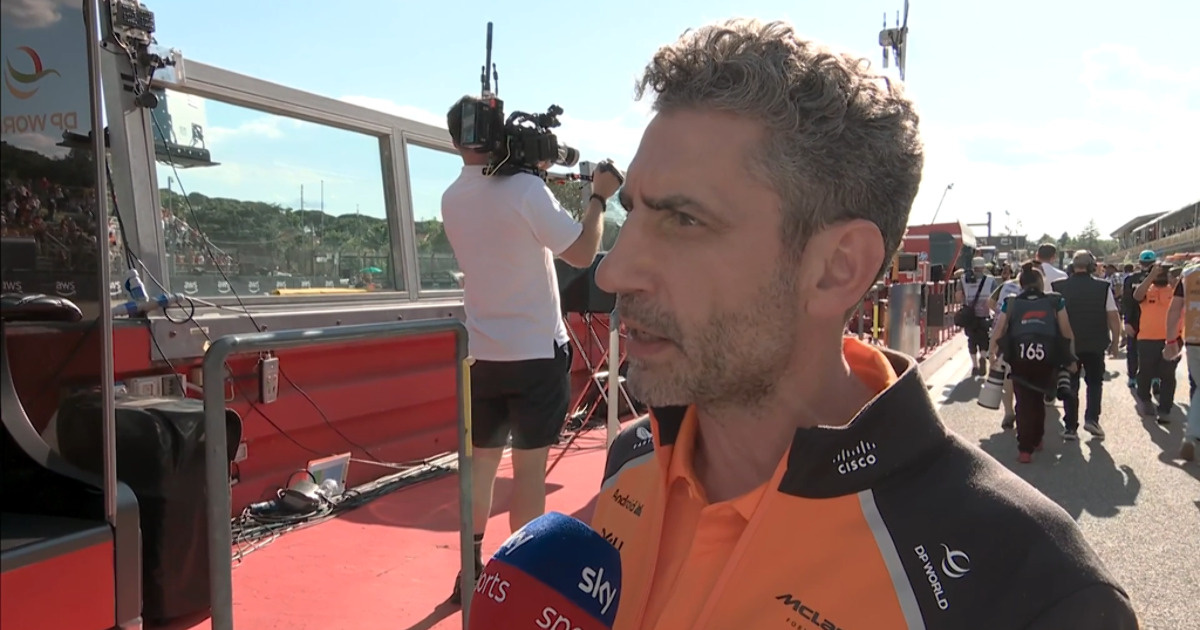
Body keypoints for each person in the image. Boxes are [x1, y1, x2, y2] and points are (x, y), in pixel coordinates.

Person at [588, 19, 1137, 629]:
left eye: (684, 220)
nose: (612, 272)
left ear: (837, 269)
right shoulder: (635, 456)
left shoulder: (1034, 592)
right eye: (632, 213)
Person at [440, 95, 623, 603]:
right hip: (537, 355)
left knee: (480, 469)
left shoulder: (452, 198)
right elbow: (582, 252)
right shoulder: (525, 190)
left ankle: (470, 570)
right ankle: (522, 580)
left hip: (483, 356)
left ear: (455, 141)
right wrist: (598, 197)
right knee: (528, 474)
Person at [990, 266, 1077, 462]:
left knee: (1023, 401)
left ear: (1020, 284)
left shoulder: (1011, 302)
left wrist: (992, 353)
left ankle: (1025, 449)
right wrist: (1071, 358)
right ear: (1041, 283)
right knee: (1038, 397)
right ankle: (1037, 439)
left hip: (1019, 357)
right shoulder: (1055, 301)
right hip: (1047, 357)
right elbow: (1066, 331)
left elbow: (999, 329)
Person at [1052, 250, 1120, 440]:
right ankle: (1092, 419)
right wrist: (1115, 342)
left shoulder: (1058, 286)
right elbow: (1113, 316)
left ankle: (1070, 427)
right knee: (1095, 383)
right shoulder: (1103, 287)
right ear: (1092, 267)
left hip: (1068, 345)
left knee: (1070, 384)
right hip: (1095, 343)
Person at [1131, 260, 1180, 422]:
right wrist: (1151, 276)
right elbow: (1137, 296)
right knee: (1146, 372)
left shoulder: (1174, 289)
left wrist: (1174, 281)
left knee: (1168, 375)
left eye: (1164, 270)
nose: (1162, 273)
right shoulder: (1146, 288)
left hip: (1170, 339)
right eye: (1159, 270)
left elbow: (1184, 300)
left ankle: (1164, 409)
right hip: (1147, 339)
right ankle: (1145, 399)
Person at [1166, 259, 1200, 461]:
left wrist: (1171, 339)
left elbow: (1174, 309)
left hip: (1194, 337)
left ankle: (1191, 435)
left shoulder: (1189, 274)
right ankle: (1191, 433)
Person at [1122, 250, 1157, 388]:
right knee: (1132, 349)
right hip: (1136, 319)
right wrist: (1126, 322)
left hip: (1154, 320)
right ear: (1140, 263)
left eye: (1150, 263)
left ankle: (1155, 377)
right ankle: (1132, 376)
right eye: (1144, 263)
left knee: (1155, 350)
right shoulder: (1131, 279)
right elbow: (1127, 301)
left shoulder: (1161, 279)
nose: (1146, 266)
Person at [957, 256, 996, 376]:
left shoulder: (963, 279)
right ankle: (983, 357)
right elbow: (995, 298)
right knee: (984, 338)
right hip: (984, 315)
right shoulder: (990, 280)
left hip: (969, 316)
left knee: (972, 340)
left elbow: (958, 297)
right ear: (983, 267)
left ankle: (974, 365)